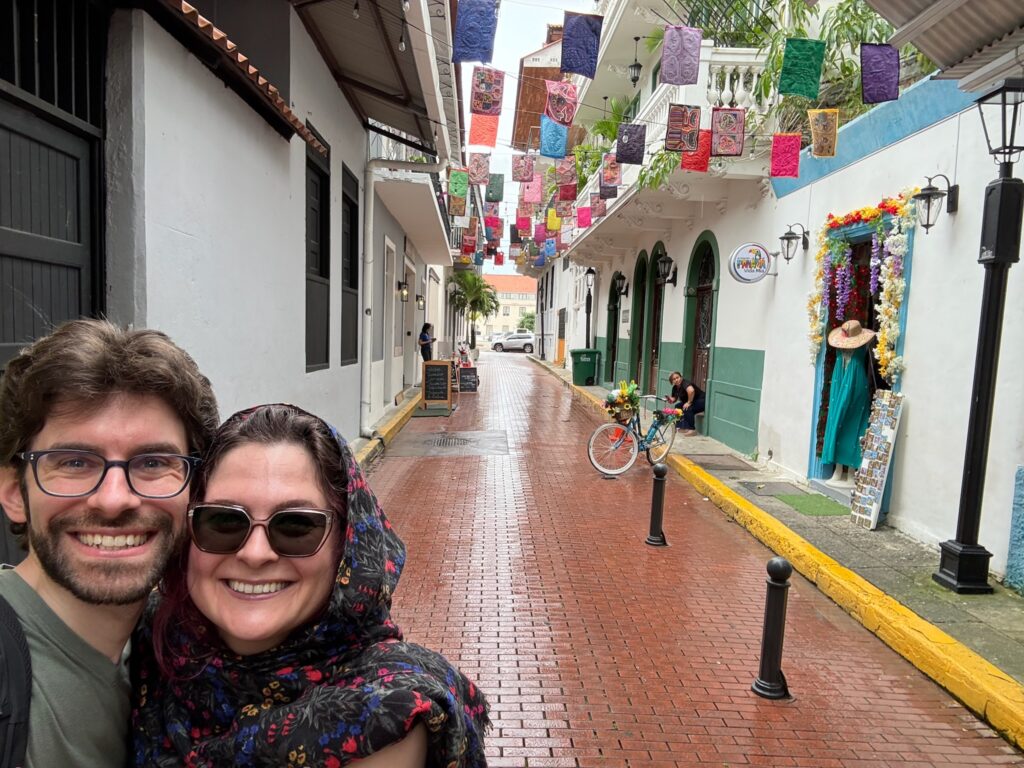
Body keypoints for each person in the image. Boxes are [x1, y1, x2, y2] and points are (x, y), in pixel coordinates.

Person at [132, 403, 490, 767]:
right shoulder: (148, 643)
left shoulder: (383, 713)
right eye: (223, 521)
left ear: (346, 546)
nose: (255, 553)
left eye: (296, 526)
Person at [0, 319, 219, 767]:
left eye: (154, 462)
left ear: (194, 491)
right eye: (75, 461)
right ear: (13, 493)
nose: (115, 499)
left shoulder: (177, 656)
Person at [821, 319, 876, 487]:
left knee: (853, 425)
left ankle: (851, 472)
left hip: (855, 383)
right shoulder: (841, 350)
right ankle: (838, 470)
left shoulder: (862, 346)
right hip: (839, 381)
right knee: (836, 423)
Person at [667, 371, 705, 435]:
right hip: (693, 401)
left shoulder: (685, 383)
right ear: (672, 381)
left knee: (688, 408)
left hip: (701, 400)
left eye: (677, 377)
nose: (676, 380)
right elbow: (674, 399)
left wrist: (689, 402)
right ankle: (682, 427)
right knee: (677, 406)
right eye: (674, 379)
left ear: (681, 377)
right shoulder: (675, 388)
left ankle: (692, 430)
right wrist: (670, 399)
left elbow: (691, 391)